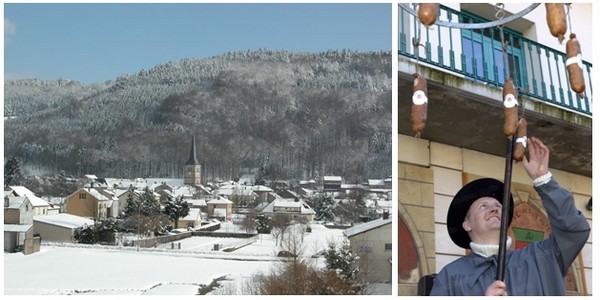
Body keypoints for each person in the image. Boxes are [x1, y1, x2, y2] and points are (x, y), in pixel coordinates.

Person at [429, 137, 590, 296]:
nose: (494, 209)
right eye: (483, 206)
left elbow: (574, 231)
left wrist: (544, 181)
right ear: (467, 224)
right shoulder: (449, 278)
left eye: (498, 206)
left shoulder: (542, 258)